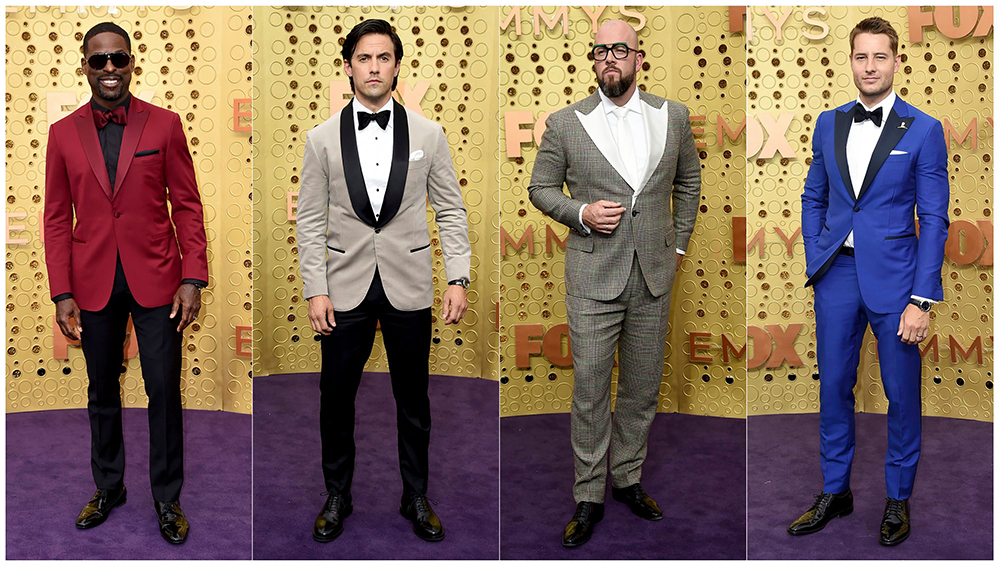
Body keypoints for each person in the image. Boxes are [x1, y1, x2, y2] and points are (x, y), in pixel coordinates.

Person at [296, 19, 472, 544]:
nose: (374, 67)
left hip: (409, 284)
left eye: (384, 58)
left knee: (413, 398)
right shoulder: (320, 139)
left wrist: (458, 277)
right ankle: (337, 494)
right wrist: (315, 287)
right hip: (342, 287)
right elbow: (308, 220)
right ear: (348, 65)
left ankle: (415, 494)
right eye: (364, 58)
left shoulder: (429, 134)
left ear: (398, 66)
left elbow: (451, 210)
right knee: (336, 397)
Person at [527, 19, 701, 548]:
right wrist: (579, 212)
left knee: (642, 389)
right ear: (593, 59)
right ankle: (588, 495)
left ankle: (626, 479)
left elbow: (689, 181)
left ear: (638, 58)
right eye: (600, 50)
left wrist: (676, 247)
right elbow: (539, 188)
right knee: (589, 391)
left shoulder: (673, 117)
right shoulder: (564, 123)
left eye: (619, 49)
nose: (609, 58)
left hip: (653, 276)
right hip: (592, 276)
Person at [43, 21, 208, 544]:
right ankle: (108, 487)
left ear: (132, 62)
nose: (109, 69)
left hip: (158, 279)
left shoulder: (163, 125)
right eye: (99, 61)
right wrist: (62, 291)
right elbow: (54, 217)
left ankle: (167, 498)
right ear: (84, 66)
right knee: (101, 391)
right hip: (92, 284)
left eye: (119, 59)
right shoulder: (62, 133)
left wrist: (192, 276)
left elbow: (186, 203)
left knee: (163, 391)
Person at [790, 17, 949, 546]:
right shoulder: (829, 122)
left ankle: (897, 498)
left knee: (902, 396)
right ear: (851, 60)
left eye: (880, 57)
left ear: (897, 61)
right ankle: (836, 490)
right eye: (861, 57)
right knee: (834, 386)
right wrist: (818, 255)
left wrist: (922, 299)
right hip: (837, 275)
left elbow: (935, 219)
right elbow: (815, 194)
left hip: (898, 284)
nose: (870, 66)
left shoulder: (924, 129)